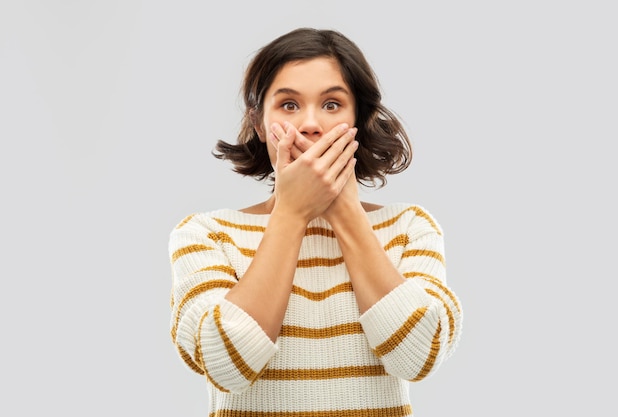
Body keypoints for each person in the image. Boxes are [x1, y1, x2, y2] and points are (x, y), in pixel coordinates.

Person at [168, 27, 463, 416]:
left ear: (359, 118)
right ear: (259, 124)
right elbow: (227, 363)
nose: (310, 124)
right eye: (289, 105)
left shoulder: (410, 227)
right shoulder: (205, 234)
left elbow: (418, 356)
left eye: (331, 104)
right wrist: (291, 214)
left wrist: (342, 209)